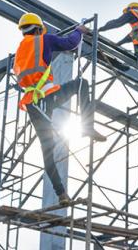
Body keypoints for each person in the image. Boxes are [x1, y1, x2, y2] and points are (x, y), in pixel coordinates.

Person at [14, 12, 107, 204]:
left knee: (46, 149)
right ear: (39, 28)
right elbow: (70, 44)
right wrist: (79, 30)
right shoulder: (44, 40)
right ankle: (86, 126)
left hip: (32, 103)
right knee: (82, 84)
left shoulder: (20, 50)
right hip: (46, 96)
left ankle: (61, 194)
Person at [101, 2, 138, 102]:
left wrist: (100, 29)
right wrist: (119, 43)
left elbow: (117, 22)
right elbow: (132, 35)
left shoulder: (132, 13)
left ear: (130, 9)